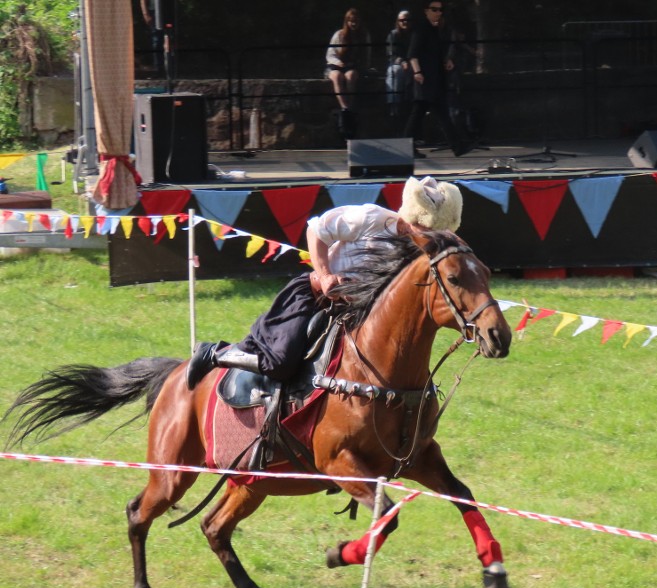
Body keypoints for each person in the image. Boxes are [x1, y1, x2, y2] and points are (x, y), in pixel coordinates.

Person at [185, 176, 463, 390]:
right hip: (317, 298)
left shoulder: (419, 250)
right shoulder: (369, 218)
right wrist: (327, 275)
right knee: (279, 361)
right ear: (414, 218)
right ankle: (214, 353)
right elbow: (316, 230)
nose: (429, 237)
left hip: (362, 315)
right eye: (426, 230)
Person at [404, 0, 469, 158]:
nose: (438, 13)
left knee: (432, 113)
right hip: (425, 79)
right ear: (426, 11)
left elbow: (434, 53)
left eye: (440, 10)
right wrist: (417, 72)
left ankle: (458, 146)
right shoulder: (421, 28)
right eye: (434, 9)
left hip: (435, 78)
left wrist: (446, 61)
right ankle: (457, 146)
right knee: (424, 113)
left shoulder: (435, 29)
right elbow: (413, 53)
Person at [326, 8, 371, 139]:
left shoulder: (364, 36)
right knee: (337, 76)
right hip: (335, 65)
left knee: (350, 76)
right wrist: (338, 62)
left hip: (352, 67)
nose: (353, 24)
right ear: (347, 22)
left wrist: (362, 67)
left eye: (356, 21)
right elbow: (330, 55)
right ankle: (345, 109)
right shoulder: (339, 35)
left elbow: (366, 57)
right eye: (351, 21)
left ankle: (348, 110)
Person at [385, 10, 413, 117]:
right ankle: (394, 105)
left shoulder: (415, 34)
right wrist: (402, 62)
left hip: (413, 63)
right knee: (395, 72)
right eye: (402, 20)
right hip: (397, 64)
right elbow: (391, 54)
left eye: (407, 20)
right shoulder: (393, 35)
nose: (404, 22)